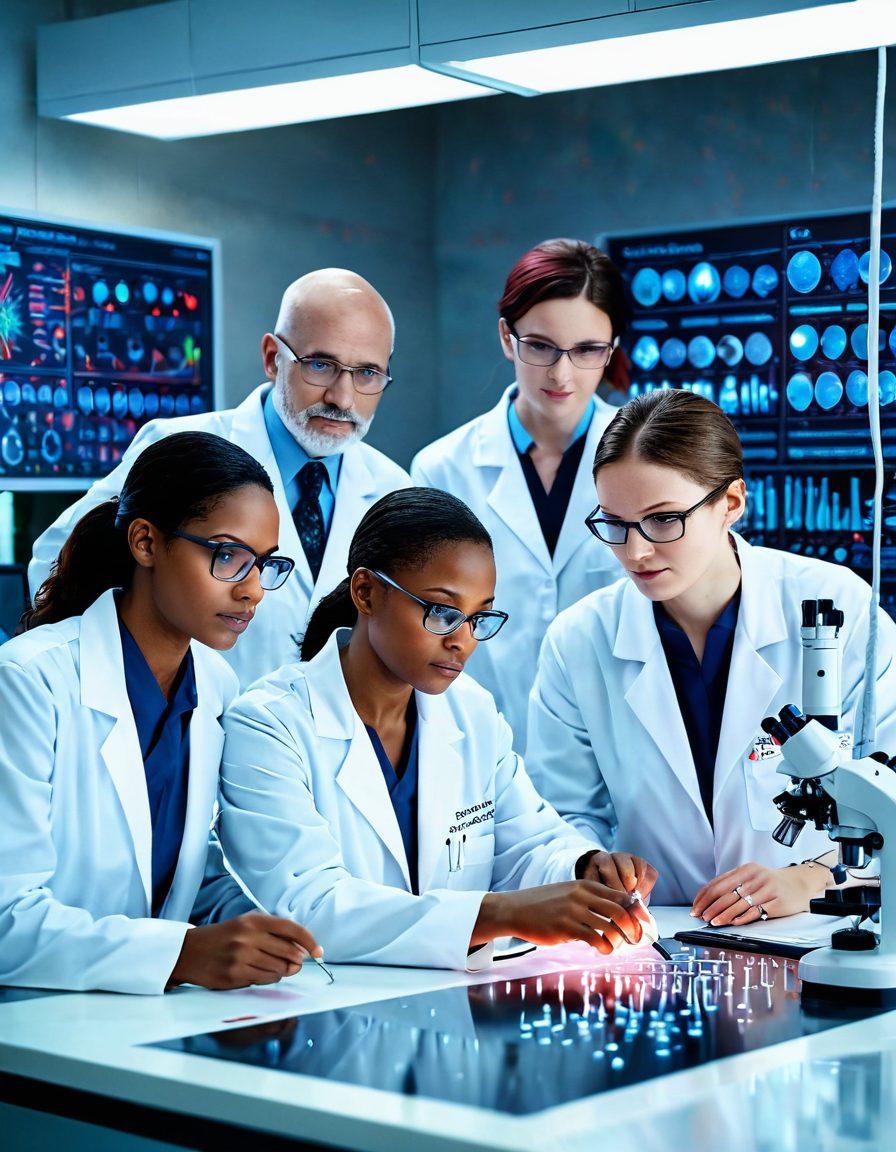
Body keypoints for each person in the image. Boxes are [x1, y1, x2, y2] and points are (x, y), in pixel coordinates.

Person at [217, 488, 657, 969]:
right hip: (321, 1011)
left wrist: (584, 868)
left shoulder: (472, 713)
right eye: (443, 613)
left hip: (452, 1009)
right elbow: (308, 907)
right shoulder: (269, 723)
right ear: (366, 592)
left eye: (478, 617)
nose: (462, 642)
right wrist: (498, 914)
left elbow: (530, 842)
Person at [526, 388, 896, 925]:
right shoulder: (579, 640)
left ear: (732, 503)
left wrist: (811, 877)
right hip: (661, 934)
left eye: (662, 520)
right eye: (614, 523)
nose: (635, 552)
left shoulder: (840, 607)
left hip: (818, 924)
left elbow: (891, 781)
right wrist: (589, 863)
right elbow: (557, 814)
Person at [0, 432, 321, 993]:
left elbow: (177, 871)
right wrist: (184, 953)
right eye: (227, 557)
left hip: (142, 1022)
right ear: (146, 543)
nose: (253, 591)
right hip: (32, 1023)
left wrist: (256, 927)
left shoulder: (215, 686)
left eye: (265, 564)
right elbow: (7, 920)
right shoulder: (29, 682)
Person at [29, 269, 411, 689]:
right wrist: (131, 695)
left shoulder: (394, 488)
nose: (342, 398)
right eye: (320, 365)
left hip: (314, 746)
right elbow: (56, 564)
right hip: (190, 731)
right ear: (272, 357)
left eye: (368, 374)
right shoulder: (177, 446)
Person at [411, 239, 625, 745]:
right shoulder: (443, 469)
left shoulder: (655, 469)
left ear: (612, 348)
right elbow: (420, 625)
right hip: (477, 743)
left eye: (588, 350)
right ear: (508, 338)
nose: (561, 373)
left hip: (616, 748)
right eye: (541, 346)